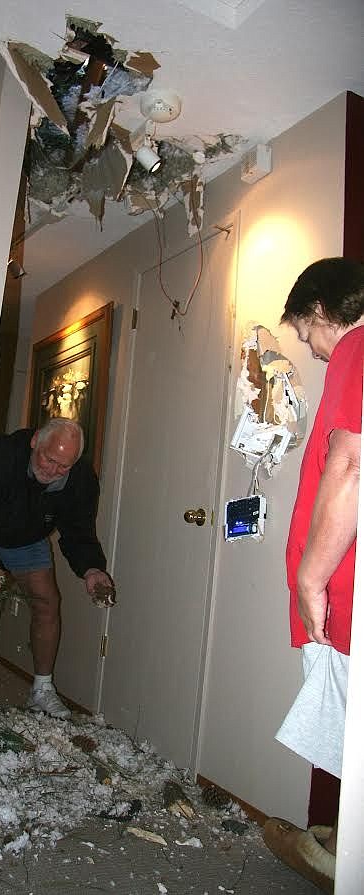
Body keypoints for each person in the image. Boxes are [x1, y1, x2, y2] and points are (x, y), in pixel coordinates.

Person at [263, 257, 364, 894]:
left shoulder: (356, 346)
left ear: (322, 311)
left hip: (345, 585)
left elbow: (351, 462)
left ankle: (342, 860)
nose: (311, 347)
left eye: (306, 332)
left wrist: (310, 577)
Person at [0, 418, 114, 720]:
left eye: (64, 466)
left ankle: (42, 689)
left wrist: (92, 570)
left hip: (27, 539)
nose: (52, 471)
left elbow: (78, 530)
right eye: (49, 459)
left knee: (48, 602)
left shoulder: (80, 479)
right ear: (35, 440)